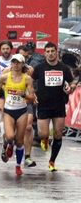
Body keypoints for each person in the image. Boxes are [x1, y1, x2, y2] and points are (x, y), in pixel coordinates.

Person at [32, 42, 75, 171]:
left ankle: (52, 161)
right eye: (48, 51)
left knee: (58, 135)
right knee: (43, 133)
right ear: (44, 53)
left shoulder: (64, 68)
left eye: (52, 51)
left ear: (56, 52)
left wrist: (70, 87)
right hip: (43, 105)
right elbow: (29, 80)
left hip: (59, 104)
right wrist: (32, 93)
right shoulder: (39, 68)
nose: (50, 54)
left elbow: (72, 82)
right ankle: (44, 139)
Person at [0, 53, 35, 176]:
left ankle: (18, 166)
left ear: (22, 64)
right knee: (10, 136)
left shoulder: (27, 79)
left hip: (22, 111)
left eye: (18, 62)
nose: (15, 65)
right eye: (13, 62)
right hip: (8, 110)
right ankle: (7, 144)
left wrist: (24, 95)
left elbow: (32, 97)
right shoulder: (4, 77)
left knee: (19, 141)